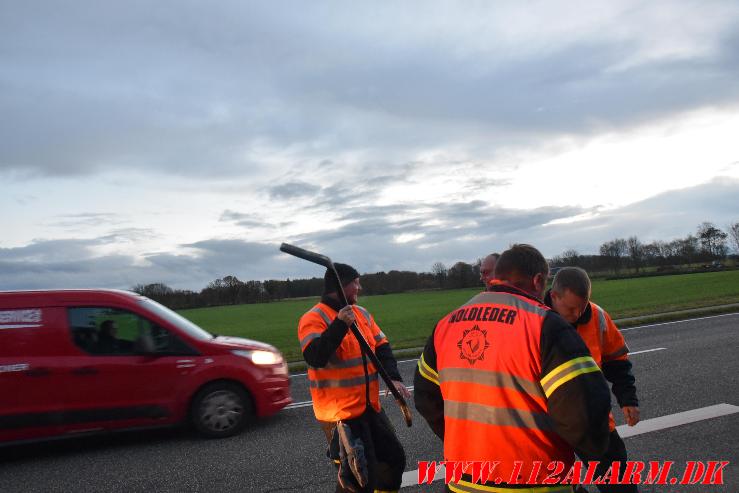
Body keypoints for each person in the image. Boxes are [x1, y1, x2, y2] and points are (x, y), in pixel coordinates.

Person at [414, 244, 611, 492]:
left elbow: (424, 396)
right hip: (534, 481)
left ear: (497, 275)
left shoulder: (446, 325)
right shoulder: (546, 325)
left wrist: (461, 438)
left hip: (463, 482)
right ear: (538, 280)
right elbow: (583, 413)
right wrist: (594, 448)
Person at [298, 263, 409, 493]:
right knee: (359, 478)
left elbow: (382, 347)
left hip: (370, 407)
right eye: (355, 282)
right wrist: (340, 325)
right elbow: (315, 356)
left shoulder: (362, 314)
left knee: (393, 459)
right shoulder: (313, 318)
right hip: (341, 415)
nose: (359, 287)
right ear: (340, 286)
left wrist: (394, 378)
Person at [545, 267, 640, 493]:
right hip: (548, 423)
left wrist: (628, 400)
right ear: (554, 296)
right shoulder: (535, 319)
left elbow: (616, 360)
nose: (578, 314)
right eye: (571, 308)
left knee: (619, 485)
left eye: (583, 306)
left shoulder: (596, 315)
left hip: (592, 419)